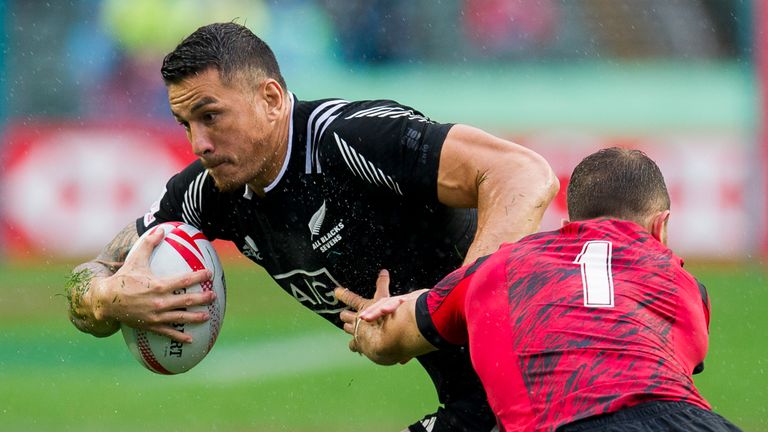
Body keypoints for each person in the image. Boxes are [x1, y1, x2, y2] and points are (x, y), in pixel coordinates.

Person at [65, 22, 559, 432]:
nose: (199, 143)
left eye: (211, 116)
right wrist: (107, 297)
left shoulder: (350, 138)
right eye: (184, 124)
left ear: (272, 98)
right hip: (480, 401)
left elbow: (523, 173)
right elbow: (94, 270)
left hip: (556, 369)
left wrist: (437, 311)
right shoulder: (209, 191)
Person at [336, 148, 742, 432]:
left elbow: (392, 335)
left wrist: (372, 328)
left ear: (570, 217)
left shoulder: (498, 268)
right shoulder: (684, 284)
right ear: (661, 227)